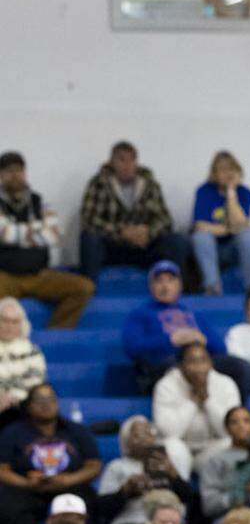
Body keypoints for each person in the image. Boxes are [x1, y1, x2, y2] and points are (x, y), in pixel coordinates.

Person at [123, 260, 250, 396]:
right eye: (159, 281)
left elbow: (221, 348)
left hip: (199, 359)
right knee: (176, 367)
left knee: (240, 367)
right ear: (151, 286)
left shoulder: (193, 314)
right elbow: (132, 348)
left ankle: (234, 414)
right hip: (165, 363)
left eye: (170, 280)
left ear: (179, 285)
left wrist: (203, 339)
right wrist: (170, 340)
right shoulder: (140, 314)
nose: (165, 286)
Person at [0, 152, 94, 328]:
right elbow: (4, 234)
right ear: (1, 175)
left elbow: (53, 236)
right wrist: (36, 231)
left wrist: (16, 235)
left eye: (19, 170)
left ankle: (55, 335)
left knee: (84, 287)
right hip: (5, 276)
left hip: (40, 275)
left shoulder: (40, 202)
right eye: (9, 171)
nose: (15, 175)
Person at [0, 383, 101, 524]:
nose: (46, 405)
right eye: (40, 400)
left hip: (70, 487)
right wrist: (26, 483)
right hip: (27, 490)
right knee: (6, 504)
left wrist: (68, 480)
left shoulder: (76, 430)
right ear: (28, 405)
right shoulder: (13, 432)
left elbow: (94, 465)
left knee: (91, 502)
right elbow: (3, 469)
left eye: (50, 399)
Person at [79, 141, 188, 280]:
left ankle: (179, 293)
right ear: (112, 163)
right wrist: (121, 231)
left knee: (177, 241)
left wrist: (148, 232)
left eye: (132, 160)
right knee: (89, 238)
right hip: (113, 247)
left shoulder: (150, 184)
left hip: (144, 246)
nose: (127, 165)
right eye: (122, 160)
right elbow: (89, 219)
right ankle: (89, 292)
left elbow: (165, 219)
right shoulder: (98, 184)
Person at [97, 415, 193, 524]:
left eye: (148, 433)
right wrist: (126, 490)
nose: (144, 438)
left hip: (170, 522)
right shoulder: (116, 466)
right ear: (126, 441)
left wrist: (173, 475)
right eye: (137, 435)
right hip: (132, 522)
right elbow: (102, 509)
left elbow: (188, 498)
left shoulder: (168, 463)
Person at [153, 342, 241, 464]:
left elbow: (230, 430)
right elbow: (170, 433)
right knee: (171, 445)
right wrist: (193, 401)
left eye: (203, 360)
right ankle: (180, 483)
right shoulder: (166, 386)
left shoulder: (225, 383)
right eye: (192, 361)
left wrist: (208, 401)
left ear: (211, 364)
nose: (199, 367)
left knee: (231, 444)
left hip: (211, 447)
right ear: (180, 366)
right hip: (181, 446)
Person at [191, 151, 250, 296]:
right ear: (214, 173)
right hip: (211, 250)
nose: (227, 174)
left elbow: (242, 225)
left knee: (249, 236)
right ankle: (212, 287)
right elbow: (200, 226)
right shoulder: (204, 191)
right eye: (222, 170)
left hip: (234, 250)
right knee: (201, 237)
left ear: (238, 172)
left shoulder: (244, 192)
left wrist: (231, 193)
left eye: (231, 169)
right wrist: (231, 229)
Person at [0, 298, 46, 428]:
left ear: (22, 325)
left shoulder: (32, 351)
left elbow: (35, 383)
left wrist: (12, 397)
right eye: (4, 320)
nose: (9, 326)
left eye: (14, 322)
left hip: (21, 407)